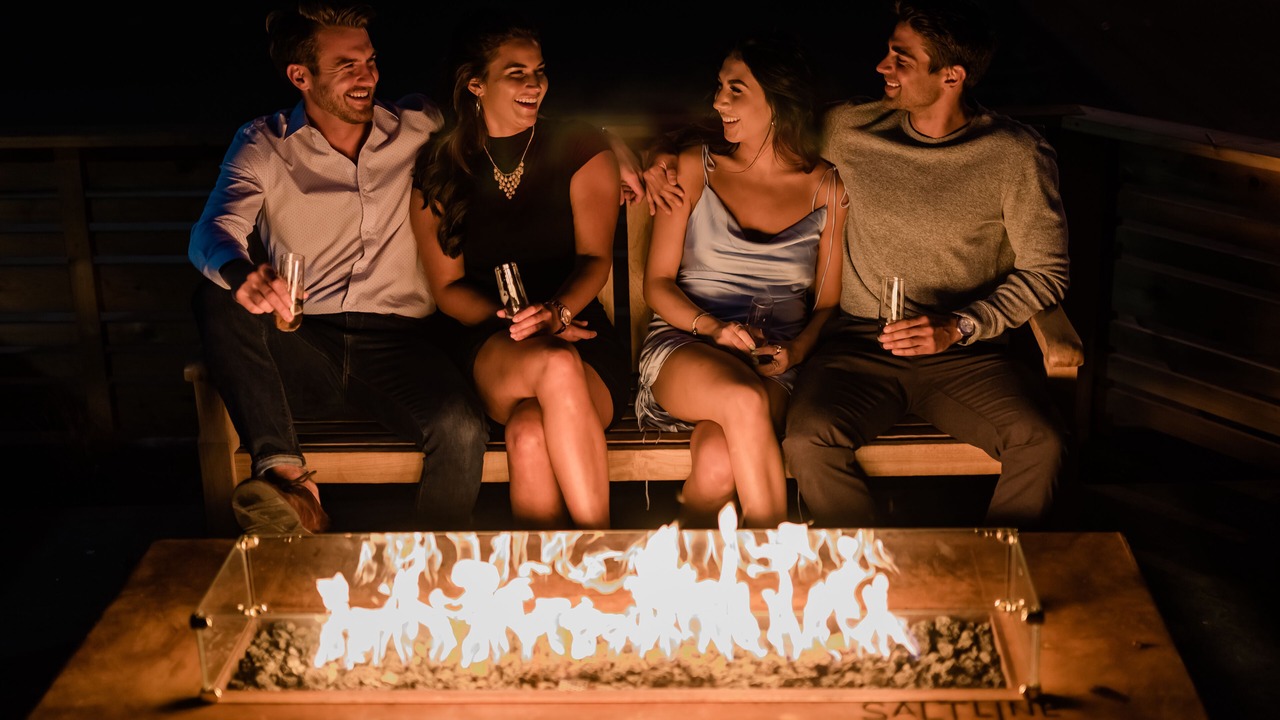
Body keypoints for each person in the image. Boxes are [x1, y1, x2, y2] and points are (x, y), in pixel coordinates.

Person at [643, 0, 1070, 528]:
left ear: (951, 76)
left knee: (1041, 443)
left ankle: (1002, 574)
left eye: (901, 59)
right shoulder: (849, 130)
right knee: (809, 439)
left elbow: (1047, 274)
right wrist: (661, 154)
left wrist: (959, 326)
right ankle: (863, 571)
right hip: (859, 347)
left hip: (965, 353)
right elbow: (762, 125)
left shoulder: (1016, 156)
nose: (881, 68)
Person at [188, 1, 496, 535]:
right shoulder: (264, 142)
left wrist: (608, 144)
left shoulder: (419, 124)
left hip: (400, 346)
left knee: (462, 428)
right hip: (303, 340)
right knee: (216, 290)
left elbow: (507, 124)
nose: (367, 76)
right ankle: (291, 485)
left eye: (370, 60)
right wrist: (244, 277)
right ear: (300, 76)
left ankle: (433, 570)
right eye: (347, 65)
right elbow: (210, 231)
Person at [409, 14, 631, 530]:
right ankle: (605, 548)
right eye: (516, 73)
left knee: (530, 431)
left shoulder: (580, 148)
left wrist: (557, 311)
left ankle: (551, 586)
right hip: (491, 340)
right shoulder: (443, 167)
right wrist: (523, 322)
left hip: (580, 329)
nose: (535, 85)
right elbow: (448, 289)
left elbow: (594, 260)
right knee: (552, 364)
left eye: (539, 71)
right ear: (476, 84)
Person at [634, 35, 846, 529]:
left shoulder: (826, 188)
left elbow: (826, 305)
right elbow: (658, 285)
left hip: (772, 361)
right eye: (719, 87)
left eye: (735, 89)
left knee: (716, 459)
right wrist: (713, 329)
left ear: (778, 100)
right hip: (686, 343)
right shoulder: (693, 168)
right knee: (742, 400)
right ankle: (777, 569)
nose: (717, 101)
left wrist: (796, 353)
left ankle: (691, 574)